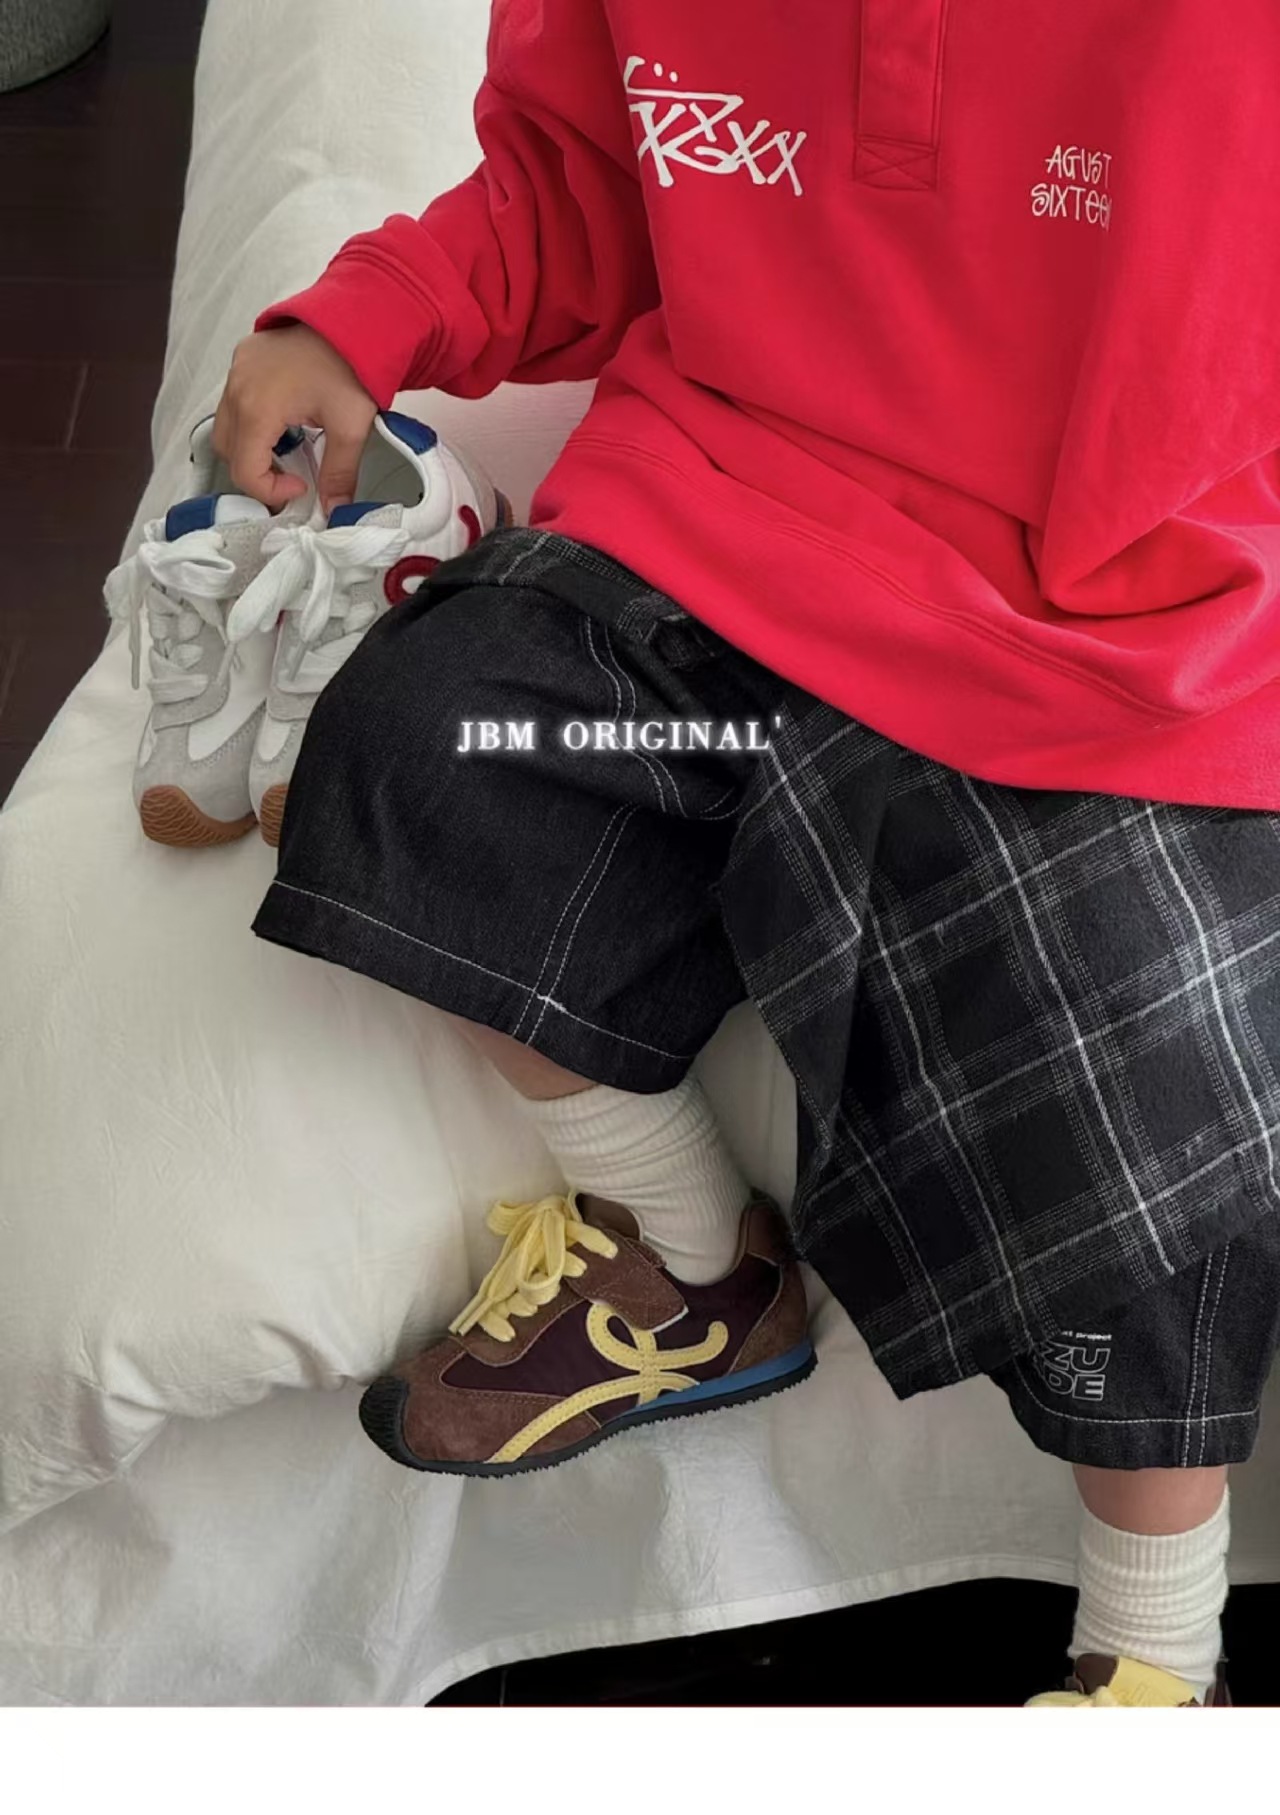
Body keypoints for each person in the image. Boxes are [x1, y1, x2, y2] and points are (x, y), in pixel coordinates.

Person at [206, 1, 1280, 1706]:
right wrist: (367, 314)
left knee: (1150, 1048)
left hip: (1099, 626)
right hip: (720, 522)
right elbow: (580, 190)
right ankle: (694, 1258)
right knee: (425, 750)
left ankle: (1154, 1651)